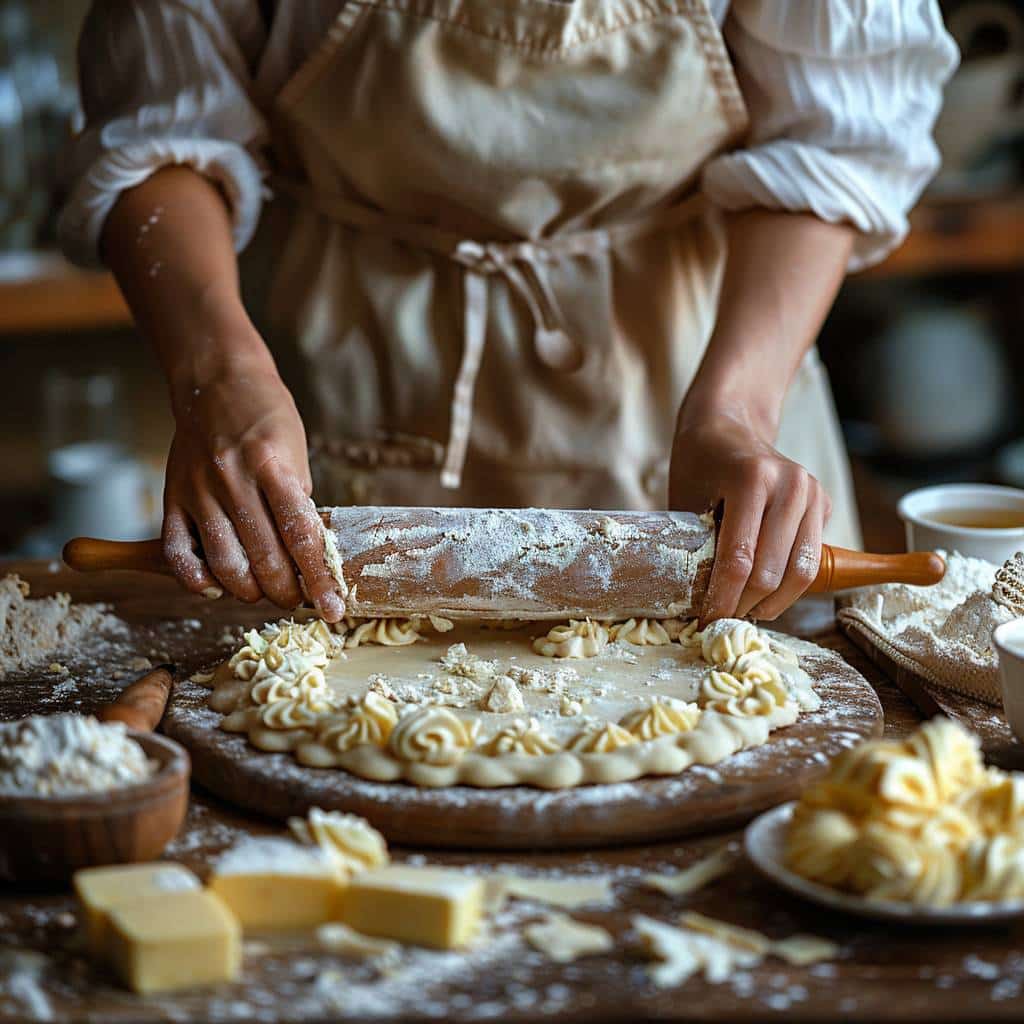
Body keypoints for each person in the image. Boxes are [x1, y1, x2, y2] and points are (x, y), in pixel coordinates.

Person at [59, 0, 957, 626]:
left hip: (702, 364)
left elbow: (834, 138)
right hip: (349, 365)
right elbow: (157, 122)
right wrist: (220, 375)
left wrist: (735, 413)